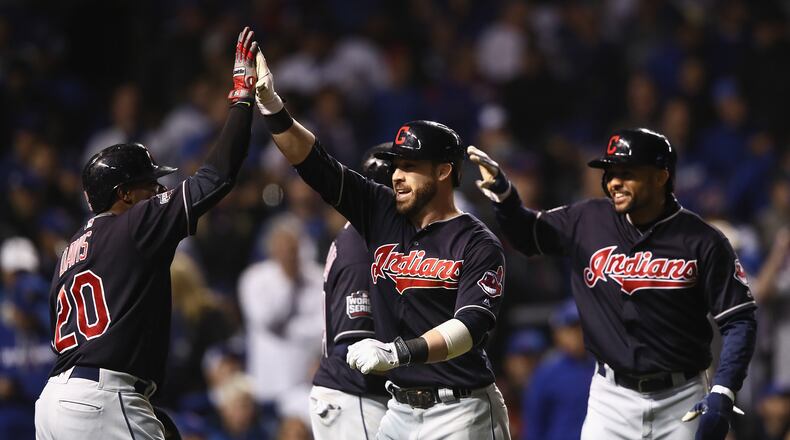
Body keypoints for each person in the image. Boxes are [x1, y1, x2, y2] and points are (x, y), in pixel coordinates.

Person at [253, 46, 510, 439]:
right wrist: (273, 107)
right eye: (395, 166)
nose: (397, 176)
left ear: (444, 171)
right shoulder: (381, 212)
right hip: (399, 410)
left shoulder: (477, 242)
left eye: (410, 166)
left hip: (461, 409)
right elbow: (315, 164)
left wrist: (399, 352)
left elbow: (470, 327)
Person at [34, 26, 259, 439]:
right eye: (148, 184)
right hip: (103, 398)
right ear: (123, 194)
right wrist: (242, 100)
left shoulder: (69, 252)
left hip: (54, 403)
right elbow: (217, 177)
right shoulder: (133, 224)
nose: (157, 190)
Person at [468, 128, 757, 440]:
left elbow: (739, 319)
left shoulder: (703, 240)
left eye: (626, 173)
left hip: (681, 398)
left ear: (661, 176)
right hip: (611, 400)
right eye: (610, 172)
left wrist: (724, 388)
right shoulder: (587, 219)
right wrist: (505, 197)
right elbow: (527, 235)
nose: (614, 182)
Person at [309, 144, 393, 439]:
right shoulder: (361, 250)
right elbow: (355, 351)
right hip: (354, 398)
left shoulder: (369, 238)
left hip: (359, 399)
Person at [522, 299, 595, 440]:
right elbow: (534, 425)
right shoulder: (546, 372)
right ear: (558, 334)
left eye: (581, 327)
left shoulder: (603, 368)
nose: (577, 334)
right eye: (571, 328)